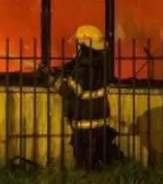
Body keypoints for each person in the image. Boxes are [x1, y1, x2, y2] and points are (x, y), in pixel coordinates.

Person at [39, 25, 124, 170]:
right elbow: (74, 68)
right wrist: (59, 71)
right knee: (99, 157)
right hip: (99, 120)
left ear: (84, 45)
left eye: (79, 43)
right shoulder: (100, 64)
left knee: (84, 163)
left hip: (85, 121)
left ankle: (87, 181)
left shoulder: (83, 69)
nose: (77, 47)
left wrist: (51, 80)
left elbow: (69, 92)